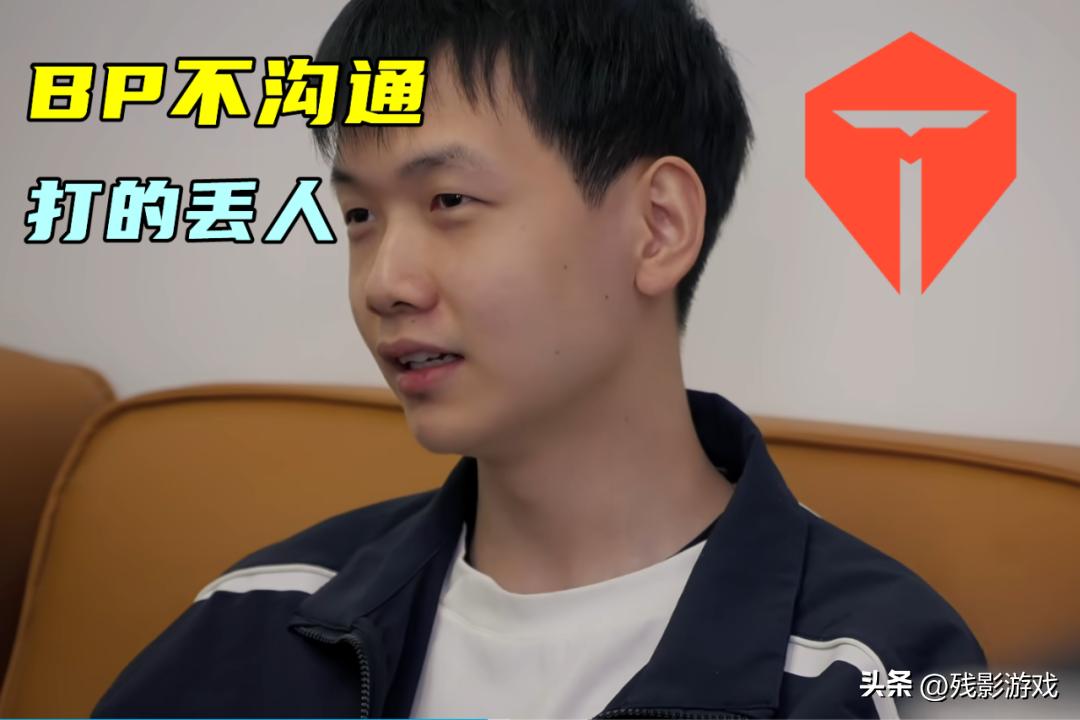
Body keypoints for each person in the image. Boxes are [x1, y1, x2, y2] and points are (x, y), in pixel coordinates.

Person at [93, 0, 985, 717]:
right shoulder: (263, 612)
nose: (385, 283)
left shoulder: (880, 671)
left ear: (658, 226)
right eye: (360, 216)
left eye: (449, 200)